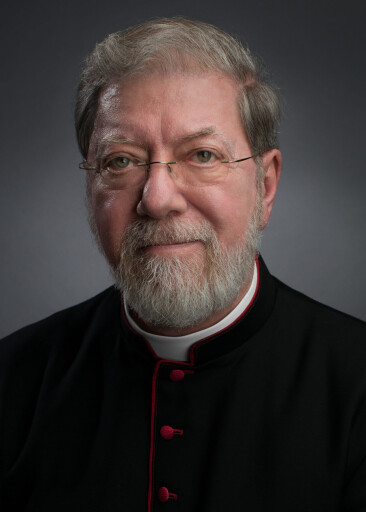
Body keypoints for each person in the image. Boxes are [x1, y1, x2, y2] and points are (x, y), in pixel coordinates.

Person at [0, 17, 365, 511]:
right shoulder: (13, 378)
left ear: (266, 185)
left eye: (202, 154)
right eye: (121, 161)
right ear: (90, 189)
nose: (157, 199)